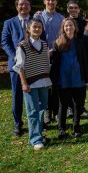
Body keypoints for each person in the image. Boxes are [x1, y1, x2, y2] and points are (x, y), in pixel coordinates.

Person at [13, 19, 52, 150]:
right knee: (33, 111)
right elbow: (20, 67)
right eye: (34, 27)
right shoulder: (22, 46)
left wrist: (48, 81)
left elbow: (46, 63)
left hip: (44, 81)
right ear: (28, 29)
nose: (37, 29)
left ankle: (39, 135)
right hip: (30, 83)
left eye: (39, 27)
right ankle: (35, 140)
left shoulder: (45, 44)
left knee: (42, 109)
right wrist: (24, 83)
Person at [51, 18, 88, 139]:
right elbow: (55, 64)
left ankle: (76, 127)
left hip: (78, 78)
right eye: (66, 26)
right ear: (63, 28)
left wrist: (86, 78)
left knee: (78, 105)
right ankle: (61, 129)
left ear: (75, 27)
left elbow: (84, 61)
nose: (69, 28)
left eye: (71, 25)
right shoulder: (57, 43)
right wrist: (54, 80)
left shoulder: (80, 42)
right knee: (63, 105)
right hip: (64, 79)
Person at [1, 0, 32, 136]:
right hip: (16, 66)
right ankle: (18, 124)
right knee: (17, 95)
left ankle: (36, 122)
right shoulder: (9, 23)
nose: (23, 7)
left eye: (26, 5)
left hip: (33, 64)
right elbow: (5, 42)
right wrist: (16, 56)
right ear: (16, 7)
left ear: (30, 7)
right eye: (21, 5)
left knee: (35, 94)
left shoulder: (35, 22)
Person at [34, 0, 64, 124]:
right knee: (44, 84)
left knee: (56, 84)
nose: (50, 2)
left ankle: (56, 111)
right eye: (48, 0)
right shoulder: (38, 16)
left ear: (56, 2)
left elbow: (63, 36)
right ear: (44, 1)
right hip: (41, 55)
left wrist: (55, 48)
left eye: (53, 0)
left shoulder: (61, 18)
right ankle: (46, 112)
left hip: (57, 54)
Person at [66, 0, 88, 117]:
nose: (73, 10)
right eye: (71, 8)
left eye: (75, 8)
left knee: (82, 82)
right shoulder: (65, 22)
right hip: (68, 56)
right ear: (67, 10)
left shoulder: (85, 23)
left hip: (82, 57)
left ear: (79, 10)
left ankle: (81, 107)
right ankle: (70, 108)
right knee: (69, 82)